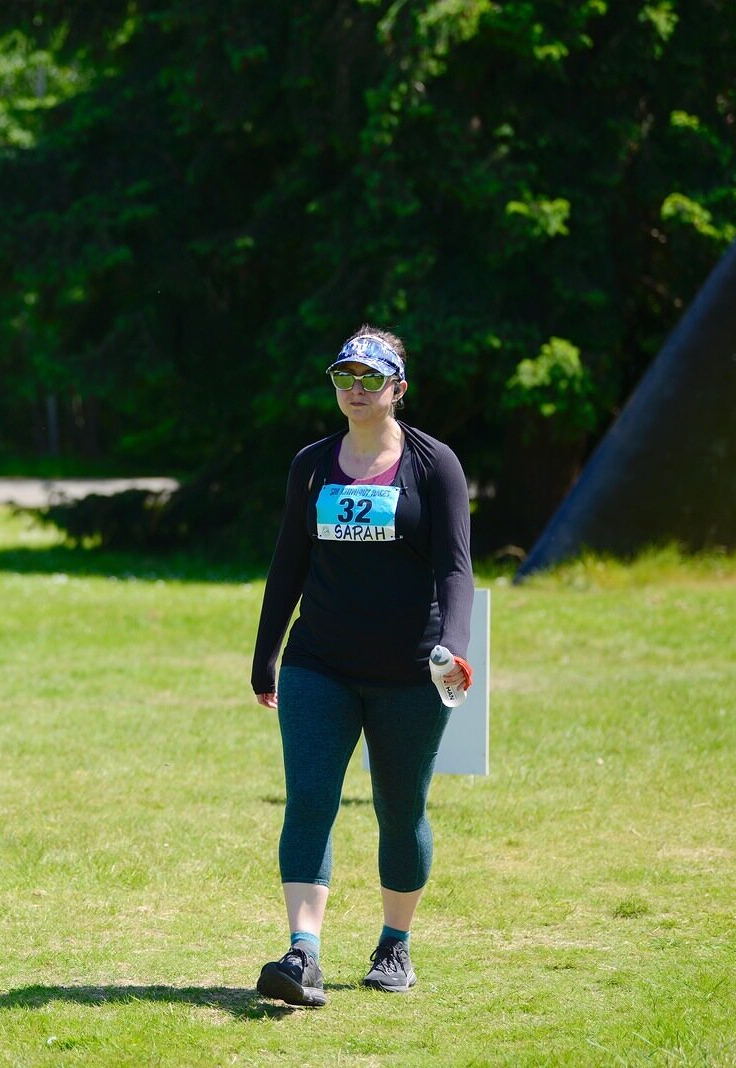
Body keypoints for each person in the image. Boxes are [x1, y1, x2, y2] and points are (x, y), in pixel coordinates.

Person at [250, 326, 474, 1008]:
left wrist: (455, 648)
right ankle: (303, 954)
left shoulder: (435, 465)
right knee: (309, 800)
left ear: (397, 388)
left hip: (411, 671)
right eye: (345, 376)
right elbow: (288, 562)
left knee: (400, 810)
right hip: (320, 664)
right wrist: (266, 654)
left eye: (371, 378)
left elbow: (455, 568)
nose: (356, 388)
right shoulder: (311, 465)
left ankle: (393, 945)